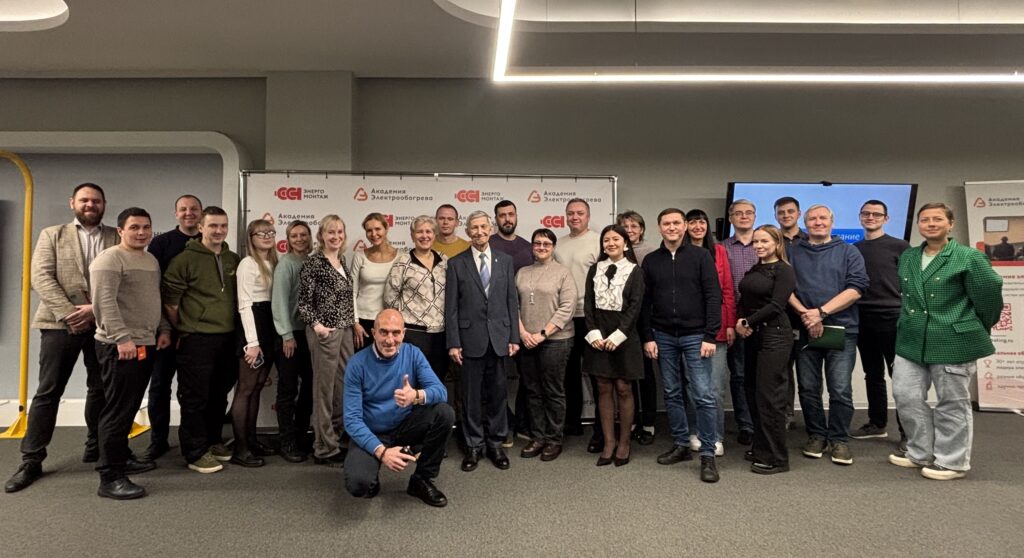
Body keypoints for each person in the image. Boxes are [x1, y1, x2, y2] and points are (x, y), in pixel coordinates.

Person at [6, 183, 125, 494]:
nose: (90, 205)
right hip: (59, 324)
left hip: (103, 324)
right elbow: (40, 277)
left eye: (96, 201)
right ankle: (31, 460)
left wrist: (93, 310)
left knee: (101, 389)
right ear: (73, 202)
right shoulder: (52, 235)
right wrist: (71, 313)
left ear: (104, 204)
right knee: (48, 391)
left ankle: (96, 446)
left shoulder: (115, 236)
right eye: (84, 200)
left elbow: (126, 279)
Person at [890, 203, 1003, 480]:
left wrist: (975, 326)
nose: (931, 224)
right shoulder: (909, 256)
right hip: (911, 340)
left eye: (937, 219)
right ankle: (919, 452)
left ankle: (952, 461)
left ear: (950, 224)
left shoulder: (968, 257)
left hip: (952, 339)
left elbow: (989, 297)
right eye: (925, 219)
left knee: (952, 403)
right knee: (905, 397)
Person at [89, 207, 169, 499]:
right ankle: (110, 477)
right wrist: (122, 338)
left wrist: (163, 329)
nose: (141, 232)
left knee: (130, 406)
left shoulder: (150, 260)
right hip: (120, 346)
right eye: (134, 227)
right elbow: (104, 302)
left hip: (145, 343)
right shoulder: (109, 259)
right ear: (121, 231)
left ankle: (121, 456)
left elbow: (154, 299)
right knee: (118, 410)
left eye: (146, 227)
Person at [641, 208, 723, 483]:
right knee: (672, 392)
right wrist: (648, 336)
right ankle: (681, 444)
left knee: (703, 395)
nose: (672, 227)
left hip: (696, 335)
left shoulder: (701, 256)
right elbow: (645, 302)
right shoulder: (651, 260)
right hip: (663, 335)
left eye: (677, 222)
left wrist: (710, 335)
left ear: (685, 226)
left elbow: (713, 296)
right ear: (659, 227)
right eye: (667, 223)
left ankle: (708, 453)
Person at [343, 309, 454, 507]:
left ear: (403, 333)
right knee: (359, 485)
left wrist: (416, 396)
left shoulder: (413, 354)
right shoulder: (357, 364)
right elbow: (351, 420)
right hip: (373, 431)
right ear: (374, 333)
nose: (390, 340)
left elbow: (441, 392)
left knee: (444, 413)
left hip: (405, 427)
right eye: (384, 332)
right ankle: (372, 472)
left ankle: (421, 479)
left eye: (396, 333)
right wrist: (382, 452)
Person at [161, 206, 240, 474]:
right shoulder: (184, 260)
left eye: (223, 226)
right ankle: (194, 452)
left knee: (219, 395)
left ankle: (213, 441)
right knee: (195, 398)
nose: (218, 230)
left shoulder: (232, 258)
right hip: (196, 339)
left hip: (227, 338)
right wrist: (185, 327)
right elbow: (171, 303)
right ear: (201, 227)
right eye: (213, 225)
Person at [788, 204, 869, 466]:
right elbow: (784, 287)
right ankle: (816, 435)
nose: (818, 222)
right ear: (805, 222)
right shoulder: (792, 251)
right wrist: (807, 315)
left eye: (823, 217)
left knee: (840, 389)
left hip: (841, 330)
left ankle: (839, 439)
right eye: (812, 218)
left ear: (832, 222)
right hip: (805, 330)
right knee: (808, 387)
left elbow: (856, 288)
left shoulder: (849, 251)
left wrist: (821, 313)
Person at [445, 210, 520, 472]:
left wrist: (514, 337)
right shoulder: (456, 263)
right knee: (471, 397)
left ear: (490, 229)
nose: (479, 232)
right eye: (474, 228)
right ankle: (474, 446)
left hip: (499, 339)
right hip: (469, 341)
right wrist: (453, 342)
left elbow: (511, 301)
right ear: (468, 232)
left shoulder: (505, 261)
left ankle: (496, 444)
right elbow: (451, 308)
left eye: (483, 227)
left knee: (498, 395)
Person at [144, 193, 202, 460]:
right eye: (183, 209)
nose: (189, 213)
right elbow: (154, 289)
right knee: (160, 385)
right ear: (176, 213)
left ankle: (197, 441)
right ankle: (158, 440)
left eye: (194, 209)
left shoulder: (210, 242)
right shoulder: (161, 243)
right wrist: (166, 327)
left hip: (198, 331)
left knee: (194, 390)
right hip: (166, 329)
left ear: (201, 213)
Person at [735, 225, 797, 474]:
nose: (759, 246)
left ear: (777, 243)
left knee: (771, 398)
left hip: (775, 336)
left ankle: (777, 458)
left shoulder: (784, 270)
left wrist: (747, 322)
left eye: (764, 241)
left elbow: (776, 305)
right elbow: (744, 299)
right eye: (756, 242)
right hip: (754, 336)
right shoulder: (755, 269)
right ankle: (761, 447)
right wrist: (741, 320)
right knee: (753, 392)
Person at [298, 215, 356, 468]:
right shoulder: (314, 263)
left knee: (342, 387)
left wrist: (352, 324)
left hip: (344, 331)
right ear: (321, 235)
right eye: (331, 232)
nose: (336, 236)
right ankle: (323, 448)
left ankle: (337, 437)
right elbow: (303, 302)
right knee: (323, 390)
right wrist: (318, 327)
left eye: (340, 232)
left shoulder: (341, 260)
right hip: (324, 332)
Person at [585, 225, 645, 467]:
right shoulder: (595, 268)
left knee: (623, 388)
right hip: (598, 336)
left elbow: (635, 307)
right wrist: (593, 333)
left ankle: (624, 442)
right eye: (606, 240)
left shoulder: (635, 271)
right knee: (603, 387)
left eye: (616, 239)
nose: (610, 243)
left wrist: (618, 336)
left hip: (624, 336)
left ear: (625, 243)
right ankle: (609, 442)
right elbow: (588, 304)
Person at [852, 200, 910, 446]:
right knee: (872, 374)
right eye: (866, 213)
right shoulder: (854, 249)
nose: (871, 217)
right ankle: (877, 424)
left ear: (886, 218)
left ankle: (907, 432)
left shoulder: (900, 246)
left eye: (876, 214)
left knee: (901, 377)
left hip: (892, 319)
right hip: (863, 318)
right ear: (860, 217)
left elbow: (911, 282)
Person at [516, 228, 576, 461]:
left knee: (553, 390)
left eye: (546, 244)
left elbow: (567, 308)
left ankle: (553, 439)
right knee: (532, 390)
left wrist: (543, 334)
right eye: (537, 243)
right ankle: (538, 437)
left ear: (553, 247)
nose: (541, 247)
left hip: (555, 341)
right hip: (526, 340)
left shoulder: (563, 273)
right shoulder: (522, 272)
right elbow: (514, 305)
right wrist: (523, 333)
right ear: (532, 246)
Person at [683, 208, 735, 457]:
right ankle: (695, 431)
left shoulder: (720, 252)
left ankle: (715, 436)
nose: (697, 226)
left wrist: (729, 323)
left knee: (714, 387)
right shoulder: (680, 253)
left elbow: (727, 290)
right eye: (692, 222)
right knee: (693, 386)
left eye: (701, 222)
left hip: (716, 328)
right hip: (689, 328)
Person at [553, 198, 602, 451]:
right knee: (568, 373)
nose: (575, 217)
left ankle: (601, 430)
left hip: (590, 317)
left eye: (580, 213)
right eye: (570, 213)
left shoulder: (598, 241)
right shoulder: (558, 245)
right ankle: (571, 423)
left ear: (588, 216)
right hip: (564, 317)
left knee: (595, 373)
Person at [229, 219, 279, 467]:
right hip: (253, 327)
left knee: (258, 386)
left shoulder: (274, 262)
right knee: (246, 388)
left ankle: (251, 440)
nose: (267, 236)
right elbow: (244, 305)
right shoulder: (247, 264)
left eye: (271, 232)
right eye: (261, 233)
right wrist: (252, 342)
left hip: (270, 325)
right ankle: (240, 448)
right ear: (251, 237)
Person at [272, 220, 315, 463]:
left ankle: (301, 434)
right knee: (288, 389)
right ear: (288, 239)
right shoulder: (285, 264)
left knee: (309, 386)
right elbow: (278, 302)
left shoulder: (312, 261)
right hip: (289, 336)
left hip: (309, 333)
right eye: (294, 235)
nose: (299, 239)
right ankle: (286, 441)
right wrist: (286, 335)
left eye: (303, 234)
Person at [490, 200, 533, 443]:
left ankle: (523, 423)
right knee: (494, 378)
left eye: (511, 214)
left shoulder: (528, 247)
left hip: (523, 322)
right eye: (502, 215)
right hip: (494, 322)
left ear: (516, 216)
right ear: (495, 219)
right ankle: (503, 424)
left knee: (527, 376)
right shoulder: (488, 244)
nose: (507, 219)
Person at [384, 216, 448, 378]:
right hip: (413, 333)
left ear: (434, 235)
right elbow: (390, 298)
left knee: (437, 380)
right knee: (411, 379)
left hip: (441, 334)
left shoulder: (444, 260)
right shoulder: (403, 262)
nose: (424, 236)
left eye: (428, 232)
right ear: (412, 235)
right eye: (419, 232)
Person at [617, 209, 656, 445]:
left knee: (646, 373)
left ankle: (648, 422)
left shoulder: (650, 253)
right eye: (625, 226)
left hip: (644, 318)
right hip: (621, 321)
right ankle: (630, 420)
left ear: (641, 229)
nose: (630, 230)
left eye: (634, 226)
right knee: (626, 373)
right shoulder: (614, 251)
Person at [723, 199, 758, 446]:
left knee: (764, 376)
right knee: (739, 375)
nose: (744, 216)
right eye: (738, 213)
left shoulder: (766, 243)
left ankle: (764, 422)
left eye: (748, 213)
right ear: (731, 218)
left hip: (764, 319)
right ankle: (746, 424)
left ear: (754, 216)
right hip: (734, 321)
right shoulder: (721, 248)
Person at [773, 196, 806, 431]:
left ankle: (812, 419)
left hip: (809, 315)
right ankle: (785, 414)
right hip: (781, 313)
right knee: (782, 370)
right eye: (781, 212)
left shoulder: (810, 240)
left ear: (799, 213)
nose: (786, 215)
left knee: (808, 372)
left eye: (790, 211)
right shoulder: (772, 241)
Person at [351, 213, 399, 350]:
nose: (374, 234)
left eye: (378, 229)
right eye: (369, 230)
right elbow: (351, 292)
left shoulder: (401, 256)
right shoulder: (359, 256)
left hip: (389, 321)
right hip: (363, 320)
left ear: (386, 228)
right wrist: (355, 323)